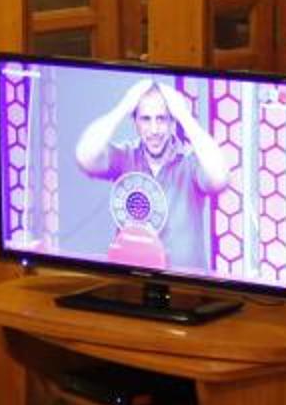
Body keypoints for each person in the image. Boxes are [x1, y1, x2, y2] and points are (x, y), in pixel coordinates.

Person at [71, 74, 237, 274]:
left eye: (162, 119)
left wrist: (184, 116)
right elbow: (85, 156)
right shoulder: (125, 157)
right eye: (145, 119)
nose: (154, 130)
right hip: (133, 283)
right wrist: (124, 107)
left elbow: (220, 177)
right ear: (135, 122)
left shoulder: (190, 163)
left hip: (185, 285)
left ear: (173, 122)